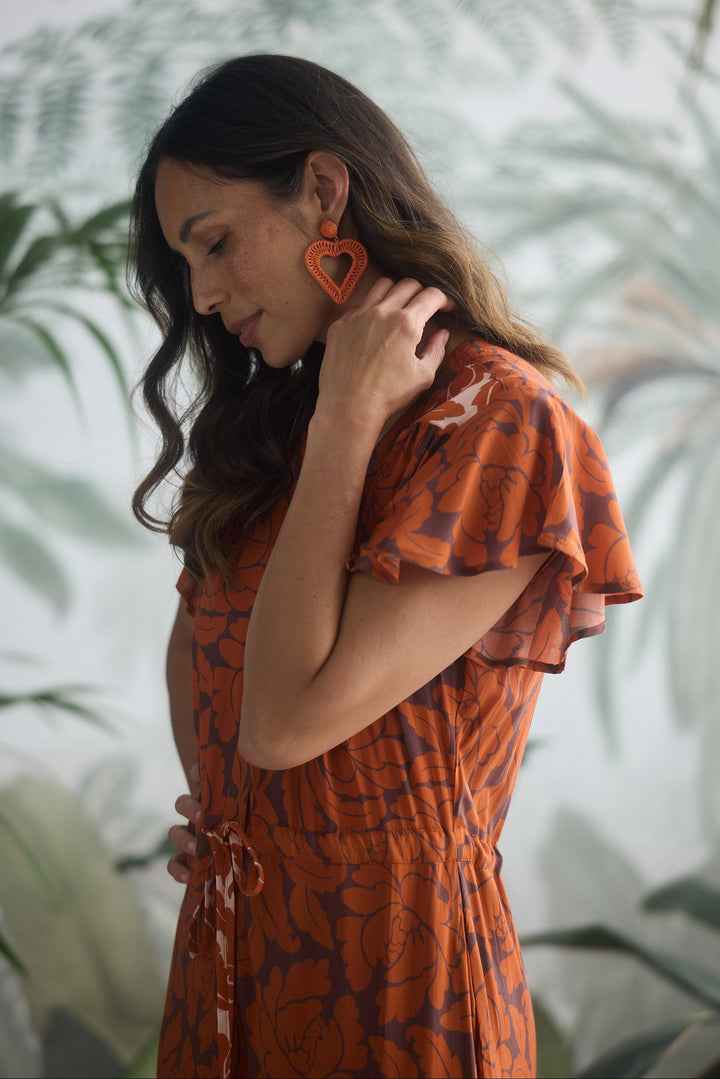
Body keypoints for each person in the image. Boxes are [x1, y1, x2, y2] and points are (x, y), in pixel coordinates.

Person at [130, 53, 642, 1079]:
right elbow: (209, 661)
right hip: (227, 972)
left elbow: (279, 723)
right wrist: (229, 814)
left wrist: (348, 423)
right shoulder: (268, 421)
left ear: (323, 190)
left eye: (217, 242)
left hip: (403, 994)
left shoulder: (499, 423)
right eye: (186, 264)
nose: (204, 291)